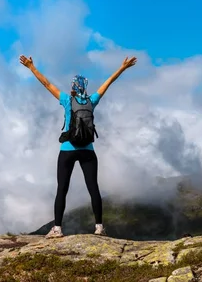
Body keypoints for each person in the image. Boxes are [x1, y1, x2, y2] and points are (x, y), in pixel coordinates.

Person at [19, 54, 138, 239]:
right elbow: (108, 82)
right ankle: (99, 227)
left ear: (73, 87)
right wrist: (122, 68)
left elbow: (47, 84)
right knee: (93, 189)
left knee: (62, 189)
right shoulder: (92, 101)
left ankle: (57, 229)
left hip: (67, 150)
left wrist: (31, 67)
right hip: (88, 150)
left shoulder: (67, 100)